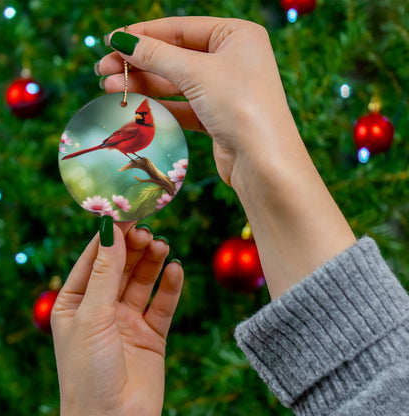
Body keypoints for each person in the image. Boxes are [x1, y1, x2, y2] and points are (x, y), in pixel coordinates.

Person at [51, 17, 409, 415]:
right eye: (142, 121)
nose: (144, 122)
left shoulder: (147, 131)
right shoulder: (131, 131)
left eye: (144, 121)